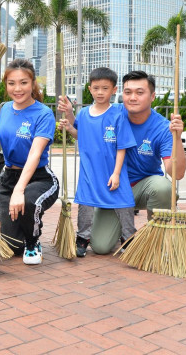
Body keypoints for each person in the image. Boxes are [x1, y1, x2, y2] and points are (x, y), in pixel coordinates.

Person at [58, 70, 186, 254]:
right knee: (101, 247)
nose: (132, 97)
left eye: (139, 92)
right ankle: (118, 230)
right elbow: (85, 132)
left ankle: (158, 235)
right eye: (128, 92)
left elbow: (177, 174)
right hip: (112, 188)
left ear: (152, 96)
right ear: (121, 93)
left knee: (163, 188)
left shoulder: (162, 127)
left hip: (142, 187)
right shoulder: (112, 112)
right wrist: (69, 114)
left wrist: (177, 139)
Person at [0, 59, 59, 265]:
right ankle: (23, 236)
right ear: (6, 84)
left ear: (33, 83)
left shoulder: (43, 113)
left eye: (23, 82)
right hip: (9, 177)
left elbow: (35, 154)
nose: (17, 89)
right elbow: (1, 137)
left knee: (28, 201)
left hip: (39, 177)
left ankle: (34, 242)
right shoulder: (6, 108)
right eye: (11, 83)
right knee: (11, 247)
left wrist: (20, 190)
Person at [58, 67, 136, 257]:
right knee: (85, 205)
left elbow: (122, 146)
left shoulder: (118, 114)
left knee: (124, 203)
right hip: (89, 171)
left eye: (105, 88)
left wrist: (116, 173)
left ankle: (128, 238)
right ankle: (83, 238)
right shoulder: (84, 113)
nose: (100, 92)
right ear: (89, 89)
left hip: (112, 171)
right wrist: (69, 125)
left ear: (114, 90)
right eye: (96, 88)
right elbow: (80, 135)